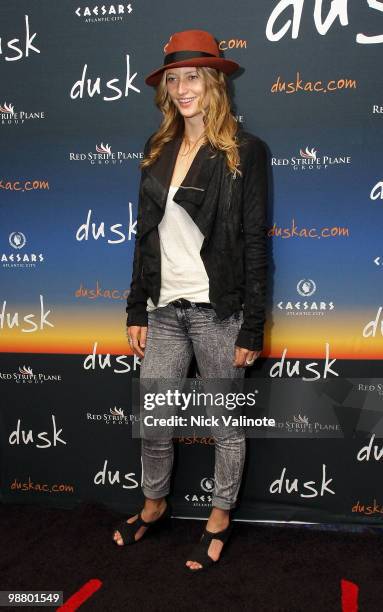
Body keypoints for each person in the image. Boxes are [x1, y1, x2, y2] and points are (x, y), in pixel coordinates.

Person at [112, 29, 268, 571]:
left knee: (227, 425)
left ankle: (219, 517)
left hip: (219, 313)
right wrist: (136, 307)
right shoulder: (156, 150)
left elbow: (254, 243)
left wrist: (253, 329)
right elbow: (144, 236)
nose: (182, 88)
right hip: (164, 310)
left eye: (193, 76)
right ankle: (154, 506)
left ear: (215, 82)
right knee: (154, 421)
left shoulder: (245, 152)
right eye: (174, 79)